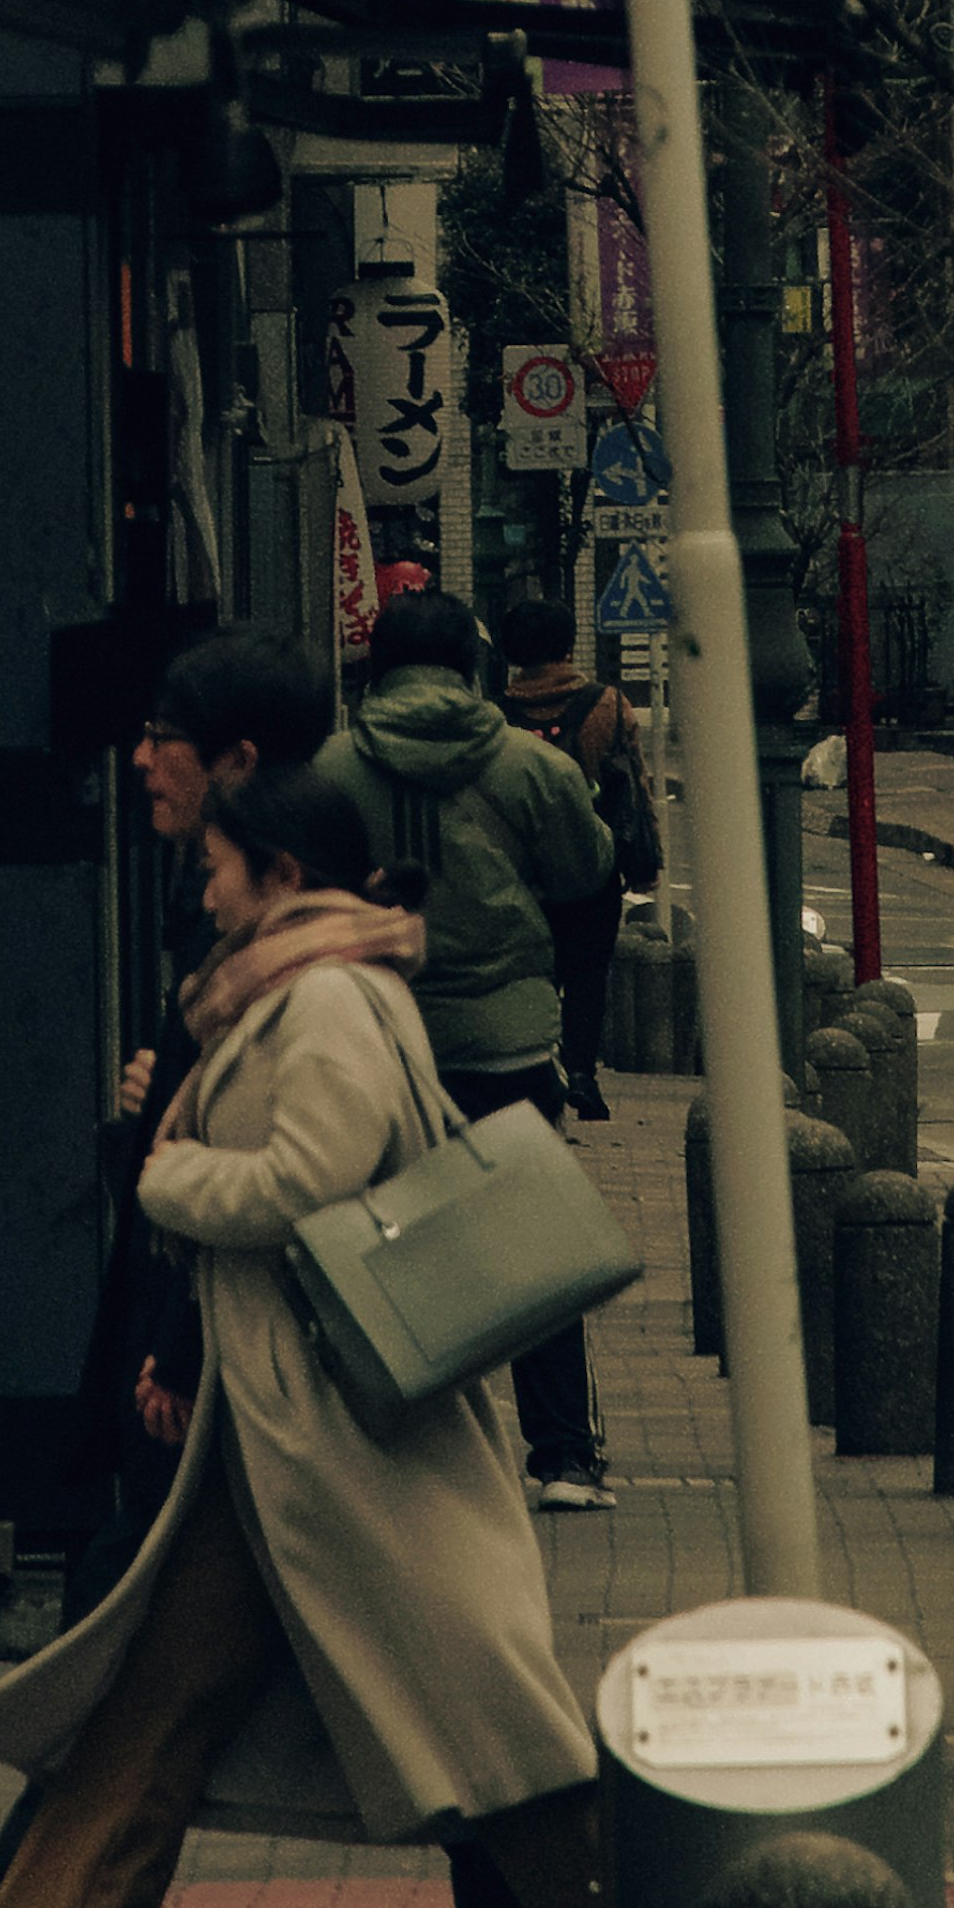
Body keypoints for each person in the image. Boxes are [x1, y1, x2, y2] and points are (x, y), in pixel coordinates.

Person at [0, 763, 617, 1908]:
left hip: (343, 1417)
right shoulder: (301, 986)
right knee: (162, 1684)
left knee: (474, 1688)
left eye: (221, 865)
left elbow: (309, 1178)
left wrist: (169, 1171)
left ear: (284, 876)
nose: (205, 883)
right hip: (290, 1420)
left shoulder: (330, 998)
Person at [0, 632, 330, 1908]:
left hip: (259, 1376)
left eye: (167, 730)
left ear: (233, 765)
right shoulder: (243, 910)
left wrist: (158, 1162)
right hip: (229, 1364)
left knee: (173, 1645)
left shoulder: (304, 948)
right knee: (167, 1648)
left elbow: (296, 1181)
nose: (139, 754)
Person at [326, 588, 619, 1500]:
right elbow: (586, 869)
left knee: (392, 1241)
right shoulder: (528, 765)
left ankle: (406, 1455)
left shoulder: (332, 768)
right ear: (471, 666)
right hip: (509, 1035)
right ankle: (563, 1454)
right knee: (531, 1242)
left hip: (380, 1032)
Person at [494, 595, 653, 1125]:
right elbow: (635, 785)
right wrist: (644, 858)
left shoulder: (496, 715)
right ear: (568, 646)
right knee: (588, 973)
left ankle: (535, 1070)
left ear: (514, 654)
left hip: (519, 871)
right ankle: (582, 1073)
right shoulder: (608, 704)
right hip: (594, 866)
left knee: (532, 972)